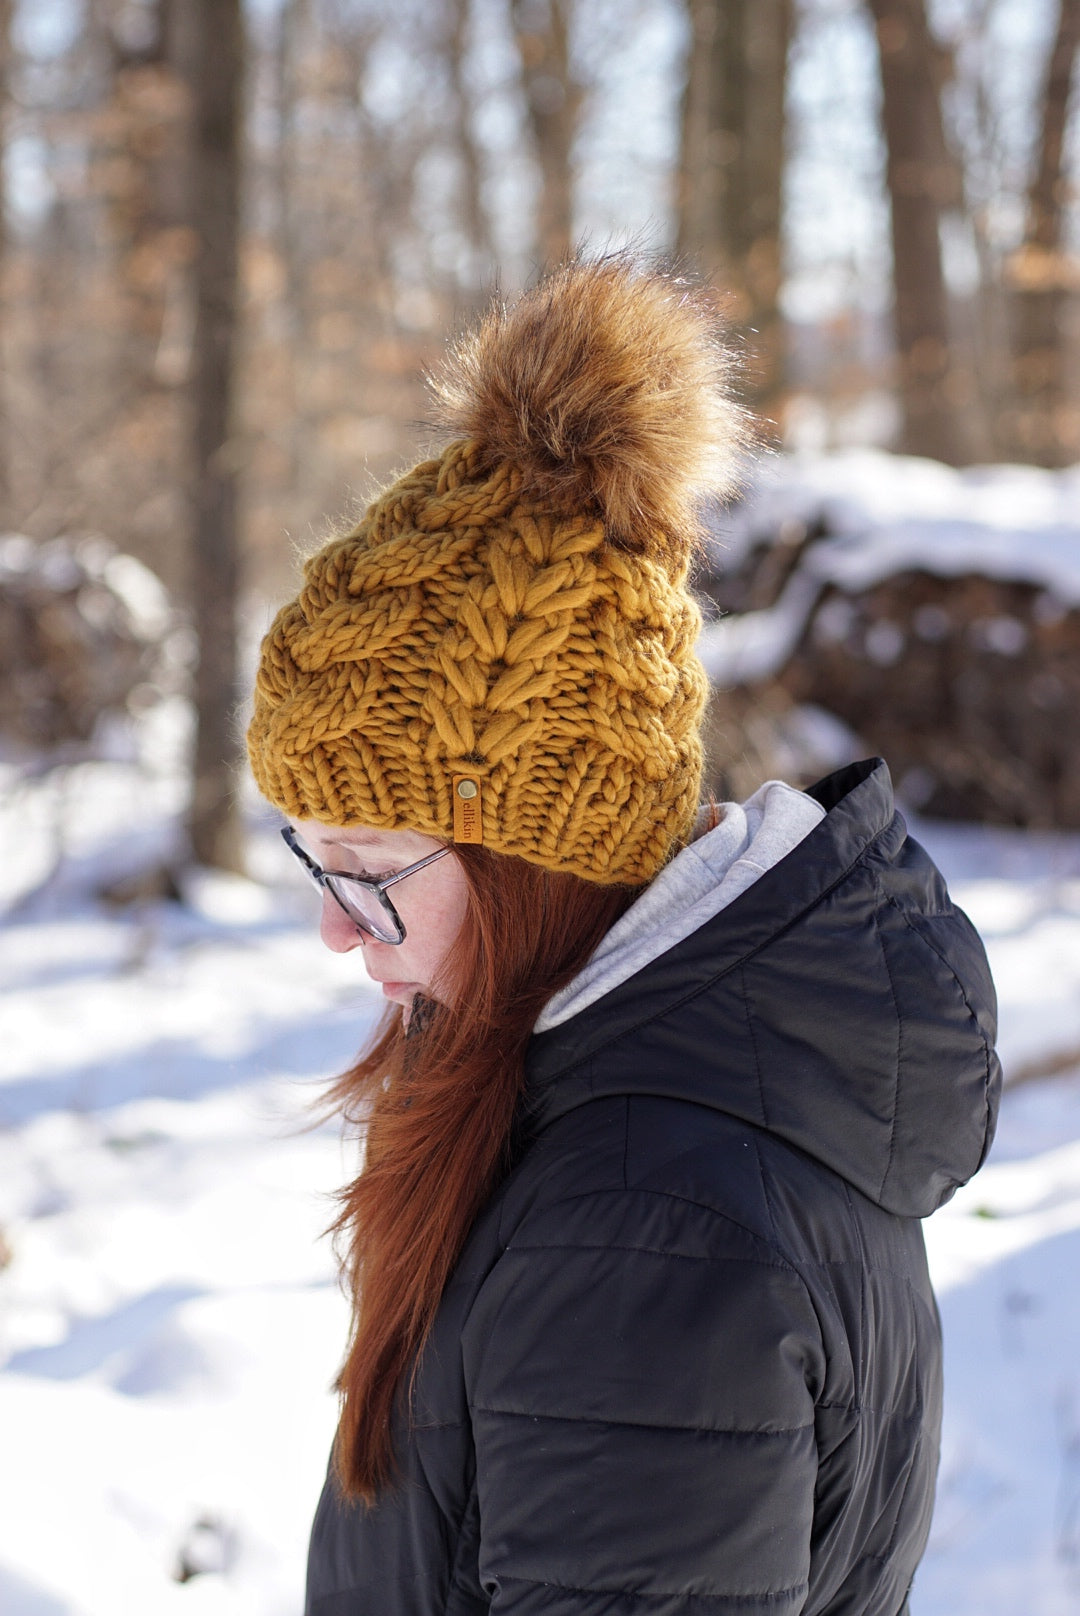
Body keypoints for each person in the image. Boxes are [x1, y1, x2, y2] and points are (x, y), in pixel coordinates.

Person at [247, 255, 1001, 1616]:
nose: (333, 928)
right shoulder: (623, 1124)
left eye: (370, 869)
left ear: (541, 857)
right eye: (317, 856)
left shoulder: (647, 1240)